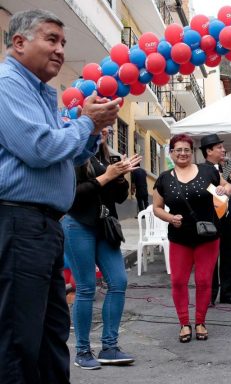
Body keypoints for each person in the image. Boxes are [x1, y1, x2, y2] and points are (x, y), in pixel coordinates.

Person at [0, 9, 121, 383]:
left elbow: (65, 156)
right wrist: (86, 122)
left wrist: (91, 135)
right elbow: (39, 148)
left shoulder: (41, 92)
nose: (60, 50)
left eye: (63, 43)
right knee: (20, 336)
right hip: (20, 222)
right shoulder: (7, 84)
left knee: (52, 333)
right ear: (18, 42)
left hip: (44, 226)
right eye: (51, 39)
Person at [62, 129, 141, 369]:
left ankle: (109, 347)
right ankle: (82, 351)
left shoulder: (104, 157)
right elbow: (72, 196)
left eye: (108, 126)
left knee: (118, 282)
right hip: (78, 225)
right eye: (101, 123)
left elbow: (118, 198)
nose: (106, 130)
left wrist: (120, 176)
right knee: (85, 287)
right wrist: (107, 176)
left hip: (104, 227)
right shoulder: (75, 154)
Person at [153, 134, 231, 342]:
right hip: (179, 237)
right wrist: (171, 218)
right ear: (171, 153)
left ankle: (200, 322)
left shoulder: (208, 171)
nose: (182, 153)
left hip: (207, 236)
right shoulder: (164, 179)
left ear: (192, 152)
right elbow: (157, 208)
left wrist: (224, 189)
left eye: (186, 150)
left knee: (204, 280)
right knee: (178, 281)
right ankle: (183, 324)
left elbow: (228, 187)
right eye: (178, 150)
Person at [200, 134, 231, 305]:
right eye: (219, 147)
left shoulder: (227, 167)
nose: (223, 150)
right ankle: (210, 295)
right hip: (211, 218)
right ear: (209, 151)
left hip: (229, 217)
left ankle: (228, 293)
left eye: (222, 147)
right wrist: (221, 185)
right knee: (210, 258)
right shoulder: (201, 169)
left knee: (230, 255)